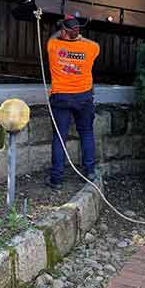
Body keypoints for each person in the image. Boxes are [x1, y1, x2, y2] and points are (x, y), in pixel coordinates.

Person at [46, 14, 100, 189]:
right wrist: (79, 36)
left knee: (59, 137)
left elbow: (52, 37)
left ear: (63, 31)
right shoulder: (90, 48)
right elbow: (96, 45)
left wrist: (63, 28)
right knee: (86, 133)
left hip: (61, 97)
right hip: (84, 98)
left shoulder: (53, 45)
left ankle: (56, 179)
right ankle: (90, 172)